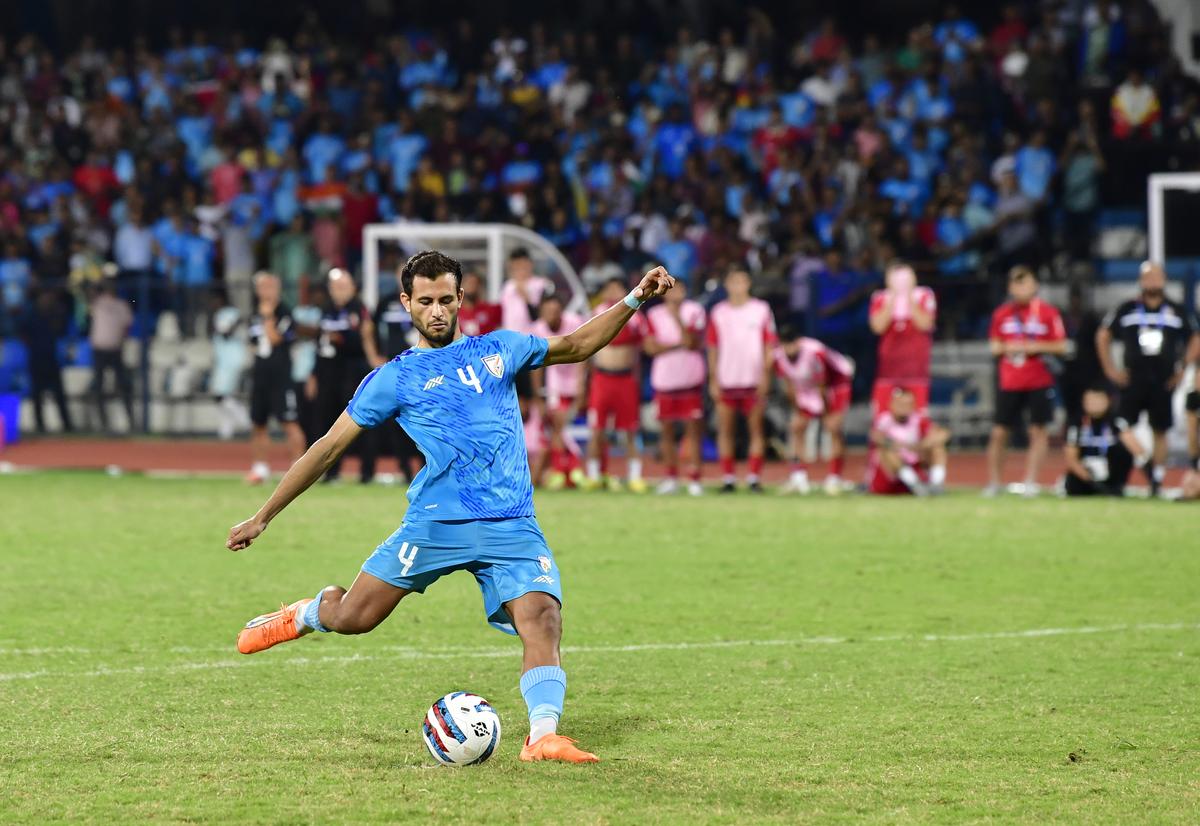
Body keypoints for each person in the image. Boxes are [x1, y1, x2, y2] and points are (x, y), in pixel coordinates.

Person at [226, 251, 675, 765]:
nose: (436, 311)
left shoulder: (500, 348)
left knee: (543, 617)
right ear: (406, 304)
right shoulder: (395, 378)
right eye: (425, 302)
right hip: (437, 523)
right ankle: (306, 612)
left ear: (461, 299)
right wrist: (262, 515)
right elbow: (327, 447)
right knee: (355, 617)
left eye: (445, 300)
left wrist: (635, 298)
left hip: (511, 522)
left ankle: (542, 737)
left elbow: (576, 345)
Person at [1096, 261, 1200, 493]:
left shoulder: (1176, 310)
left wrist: (1183, 368)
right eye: (1148, 277)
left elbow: (1195, 337)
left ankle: (1157, 479)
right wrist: (1110, 369)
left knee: (1160, 429)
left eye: (1156, 276)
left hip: (1163, 378)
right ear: (1141, 281)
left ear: (1164, 280)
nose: (1152, 281)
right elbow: (1103, 335)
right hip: (1133, 378)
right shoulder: (1127, 308)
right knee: (1120, 423)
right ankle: (1145, 463)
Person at [985, 266, 1067, 497]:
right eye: (1017, 283)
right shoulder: (1001, 314)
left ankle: (1030, 482)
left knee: (1038, 430)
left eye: (1026, 282)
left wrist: (1036, 346)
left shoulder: (1048, 313)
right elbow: (993, 346)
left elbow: (1061, 345)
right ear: (1010, 287)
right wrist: (1007, 347)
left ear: (1035, 285)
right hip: (1010, 380)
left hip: (1038, 379)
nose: (1021, 288)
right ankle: (994, 482)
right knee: (1000, 432)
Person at [707, 265, 776, 492]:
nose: (738, 286)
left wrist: (766, 375)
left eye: (742, 281)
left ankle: (754, 477)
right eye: (733, 281)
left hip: (753, 379)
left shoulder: (761, 310)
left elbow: (769, 345)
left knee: (756, 429)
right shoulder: (719, 312)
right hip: (727, 378)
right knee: (725, 430)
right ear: (726, 285)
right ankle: (728, 478)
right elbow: (713, 347)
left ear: (748, 284)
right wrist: (713, 378)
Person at [314, 268, 381, 482]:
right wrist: (314, 374)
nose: (339, 291)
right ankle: (332, 472)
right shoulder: (326, 310)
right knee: (329, 423)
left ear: (352, 288)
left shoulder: (359, 309)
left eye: (343, 286)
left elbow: (365, 340)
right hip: (329, 373)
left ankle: (366, 472)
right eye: (335, 287)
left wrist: (341, 340)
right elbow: (320, 344)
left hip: (353, 373)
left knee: (358, 422)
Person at [583, 278, 647, 492]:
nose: (613, 292)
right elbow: (586, 346)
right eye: (609, 288)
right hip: (602, 379)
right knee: (596, 429)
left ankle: (635, 477)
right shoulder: (597, 313)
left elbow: (640, 349)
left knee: (630, 429)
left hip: (625, 379)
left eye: (617, 288)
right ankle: (593, 475)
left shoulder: (635, 315)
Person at [644, 278, 707, 496]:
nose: (674, 293)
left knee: (693, 432)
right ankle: (671, 477)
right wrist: (677, 344)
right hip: (665, 380)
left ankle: (695, 479)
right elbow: (651, 348)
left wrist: (676, 316)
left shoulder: (694, 311)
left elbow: (692, 341)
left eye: (679, 288)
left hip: (690, 379)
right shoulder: (653, 314)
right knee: (667, 432)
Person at [774, 332, 854, 495]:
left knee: (833, 429)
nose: (789, 349)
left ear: (798, 342)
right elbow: (789, 385)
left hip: (836, 383)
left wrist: (827, 415)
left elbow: (823, 385)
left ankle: (834, 479)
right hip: (808, 387)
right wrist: (797, 409)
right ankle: (798, 477)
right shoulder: (778, 356)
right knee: (796, 427)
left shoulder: (815, 352)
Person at [246, 273, 306, 484]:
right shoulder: (254, 313)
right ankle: (260, 468)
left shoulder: (284, 312)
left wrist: (268, 317)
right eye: (262, 287)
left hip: (280, 376)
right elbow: (252, 343)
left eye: (270, 287)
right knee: (258, 422)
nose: (266, 292)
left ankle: (298, 469)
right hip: (261, 375)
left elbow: (274, 338)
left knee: (289, 422)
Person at [370, 264, 425, 484]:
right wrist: (374, 355)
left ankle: (427, 469)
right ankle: (405, 470)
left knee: (423, 420)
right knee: (395, 421)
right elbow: (370, 328)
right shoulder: (386, 302)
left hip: (421, 370)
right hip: (394, 370)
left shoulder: (426, 300)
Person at [530, 293, 585, 489]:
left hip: (575, 385)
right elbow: (534, 367)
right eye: (547, 311)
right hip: (553, 387)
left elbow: (584, 354)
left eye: (555, 310)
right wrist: (538, 397)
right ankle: (568, 471)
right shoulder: (537, 329)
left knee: (563, 429)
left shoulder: (574, 322)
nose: (551, 315)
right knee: (557, 428)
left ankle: (569, 471)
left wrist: (581, 387)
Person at [868, 261, 936, 412]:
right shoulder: (880, 298)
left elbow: (925, 324)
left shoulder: (924, 295)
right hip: (889, 368)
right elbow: (878, 327)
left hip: (916, 368)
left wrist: (910, 298)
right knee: (883, 415)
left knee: (918, 416)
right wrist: (892, 299)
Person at [1064, 385, 1154, 497]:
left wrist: (1151, 477)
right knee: (1073, 485)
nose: (1094, 404)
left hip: (1111, 471)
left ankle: (1116, 487)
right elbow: (1071, 458)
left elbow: (1137, 450)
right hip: (1087, 472)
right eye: (1090, 400)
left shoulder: (1117, 422)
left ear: (1108, 401)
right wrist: (1090, 480)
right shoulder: (1076, 424)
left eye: (1098, 400)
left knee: (1120, 450)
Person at [867, 386, 950, 496]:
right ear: (891, 404)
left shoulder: (919, 420)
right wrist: (906, 446)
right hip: (891, 474)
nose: (904, 408)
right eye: (900, 404)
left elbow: (943, 434)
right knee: (888, 451)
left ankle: (936, 486)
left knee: (937, 448)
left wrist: (923, 445)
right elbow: (877, 437)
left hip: (914, 463)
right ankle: (915, 485)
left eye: (907, 404)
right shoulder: (884, 421)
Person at [18, 289, 74, 433]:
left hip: (51, 359)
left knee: (59, 395)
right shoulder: (31, 315)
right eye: (44, 297)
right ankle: (39, 425)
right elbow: (21, 331)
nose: (47, 300)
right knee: (37, 394)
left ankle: (67, 425)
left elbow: (62, 328)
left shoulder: (54, 314)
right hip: (36, 359)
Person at [87, 278, 136, 433]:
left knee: (123, 385)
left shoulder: (122, 305)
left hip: (115, 349)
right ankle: (102, 423)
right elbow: (87, 293)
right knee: (98, 386)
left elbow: (127, 326)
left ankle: (131, 421)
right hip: (99, 350)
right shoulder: (97, 303)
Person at [457, 271, 502, 337]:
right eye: (468, 283)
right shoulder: (454, 313)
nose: (471, 287)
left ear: (479, 287)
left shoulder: (492, 310)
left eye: (474, 283)